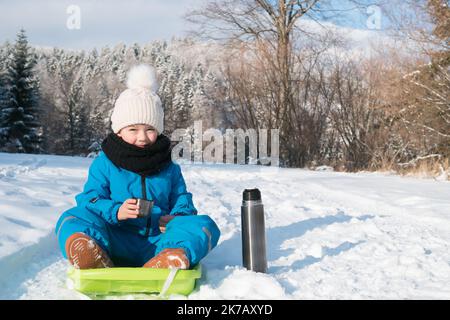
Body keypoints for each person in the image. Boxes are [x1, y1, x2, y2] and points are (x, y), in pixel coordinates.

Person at [55, 64, 220, 270]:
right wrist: (116, 211)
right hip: (115, 240)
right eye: (133, 129)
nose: (142, 137)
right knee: (72, 218)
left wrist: (175, 218)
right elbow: (89, 199)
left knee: (204, 226)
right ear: (119, 131)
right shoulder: (105, 163)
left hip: (159, 243)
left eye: (150, 129)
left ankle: (171, 258)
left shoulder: (168, 166)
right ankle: (91, 253)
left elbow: (182, 199)